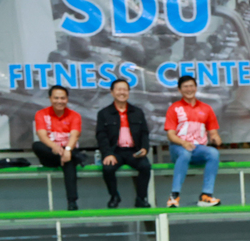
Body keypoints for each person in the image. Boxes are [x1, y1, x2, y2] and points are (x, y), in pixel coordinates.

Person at [164, 74, 222, 208]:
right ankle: (174, 196)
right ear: (179, 90)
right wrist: (183, 143)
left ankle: (206, 195)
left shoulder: (206, 108)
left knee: (213, 153)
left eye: (191, 86)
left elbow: (213, 132)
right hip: (178, 147)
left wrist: (216, 138)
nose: (189, 89)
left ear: (196, 88)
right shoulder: (174, 108)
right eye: (185, 87)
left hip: (198, 149)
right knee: (185, 153)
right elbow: (170, 135)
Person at [95, 79, 151, 209]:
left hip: (133, 151)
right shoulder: (104, 113)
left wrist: (144, 148)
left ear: (129, 92)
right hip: (115, 151)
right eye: (119, 89)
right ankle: (114, 196)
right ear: (112, 92)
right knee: (108, 168)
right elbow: (101, 136)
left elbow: (144, 133)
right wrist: (107, 153)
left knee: (145, 167)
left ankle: (141, 198)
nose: (122, 92)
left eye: (125, 90)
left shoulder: (137, 112)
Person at [33, 85, 87, 210]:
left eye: (63, 98)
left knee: (69, 161)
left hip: (68, 152)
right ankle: (74, 156)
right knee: (36, 145)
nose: (59, 101)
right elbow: (42, 136)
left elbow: (75, 135)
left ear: (67, 99)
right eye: (56, 98)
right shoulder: (41, 114)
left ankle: (72, 202)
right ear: (50, 99)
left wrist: (67, 150)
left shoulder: (74, 115)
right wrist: (56, 148)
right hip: (51, 154)